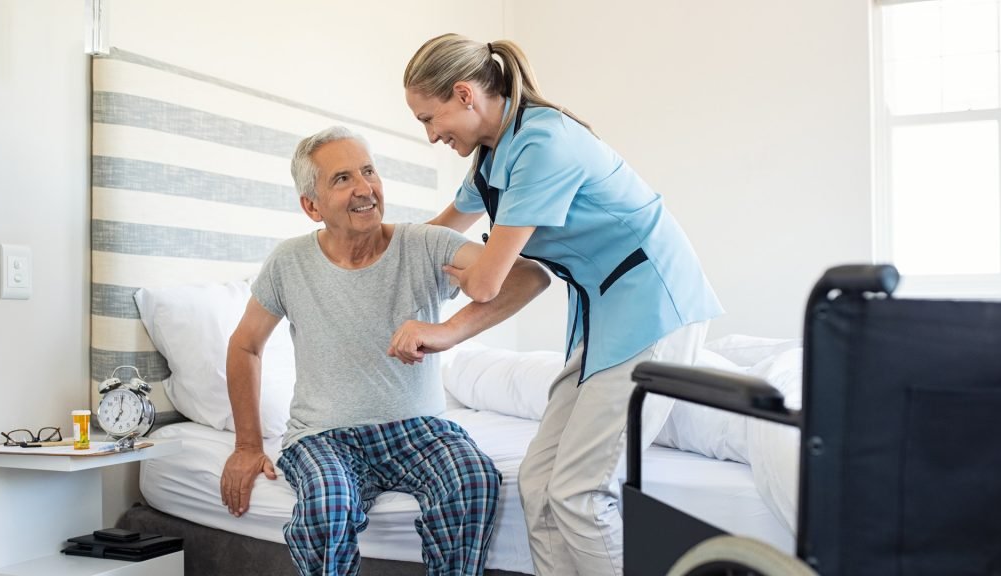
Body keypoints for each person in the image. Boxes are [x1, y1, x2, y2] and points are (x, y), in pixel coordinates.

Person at [403, 34, 723, 576]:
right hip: (603, 317)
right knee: (537, 484)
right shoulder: (490, 157)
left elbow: (486, 282)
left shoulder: (542, 144)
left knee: (579, 493)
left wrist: (457, 289)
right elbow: (437, 234)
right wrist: (368, 245)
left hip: (653, 307)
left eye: (429, 120)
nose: (432, 135)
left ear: (464, 95)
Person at [219, 126, 550, 576]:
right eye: (342, 179)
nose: (365, 188)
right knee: (328, 504)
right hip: (323, 436)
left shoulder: (426, 244)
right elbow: (245, 346)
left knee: (472, 480)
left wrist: (448, 331)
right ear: (311, 206)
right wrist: (246, 445)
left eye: (369, 171)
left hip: (420, 429)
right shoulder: (288, 262)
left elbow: (528, 278)